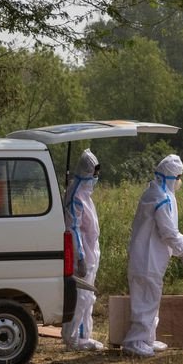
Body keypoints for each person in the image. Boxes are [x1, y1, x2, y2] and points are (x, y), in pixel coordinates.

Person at [123, 154, 183, 358]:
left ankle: (147, 338)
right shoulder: (158, 197)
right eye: (178, 176)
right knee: (145, 300)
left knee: (151, 298)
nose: (180, 181)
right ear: (170, 176)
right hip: (147, 258)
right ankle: (134, 341)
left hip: (151, 257)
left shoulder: (160, 193)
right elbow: (168, 232)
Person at [61, 149, 105, 351]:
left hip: (90, 252)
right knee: (81, 297)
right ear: (88, 172)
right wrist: (79, 257)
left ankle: (84, 336)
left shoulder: (84, 192)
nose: (96, 177)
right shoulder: (76, 194)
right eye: (94, 173)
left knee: (88, 298)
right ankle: (73, 338)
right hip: (83, 255)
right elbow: (73, 228)